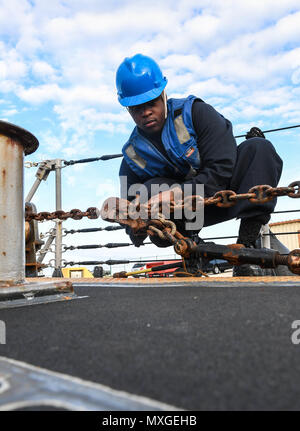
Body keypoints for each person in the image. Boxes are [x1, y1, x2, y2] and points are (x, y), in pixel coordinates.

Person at [116, 54, 283, 276]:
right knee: (147, 191)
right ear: (128, 109)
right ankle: (193, 253)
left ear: (163, 94)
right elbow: (130, 208)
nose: (145, 112)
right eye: (136, 108)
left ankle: (247, 249)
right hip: (186, 218)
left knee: (258, 148)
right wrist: (134, 225)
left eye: (151, 103)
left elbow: (222, 169)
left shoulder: (196, 113)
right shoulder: (132, 154)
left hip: (225, 195)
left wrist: (175, 194)